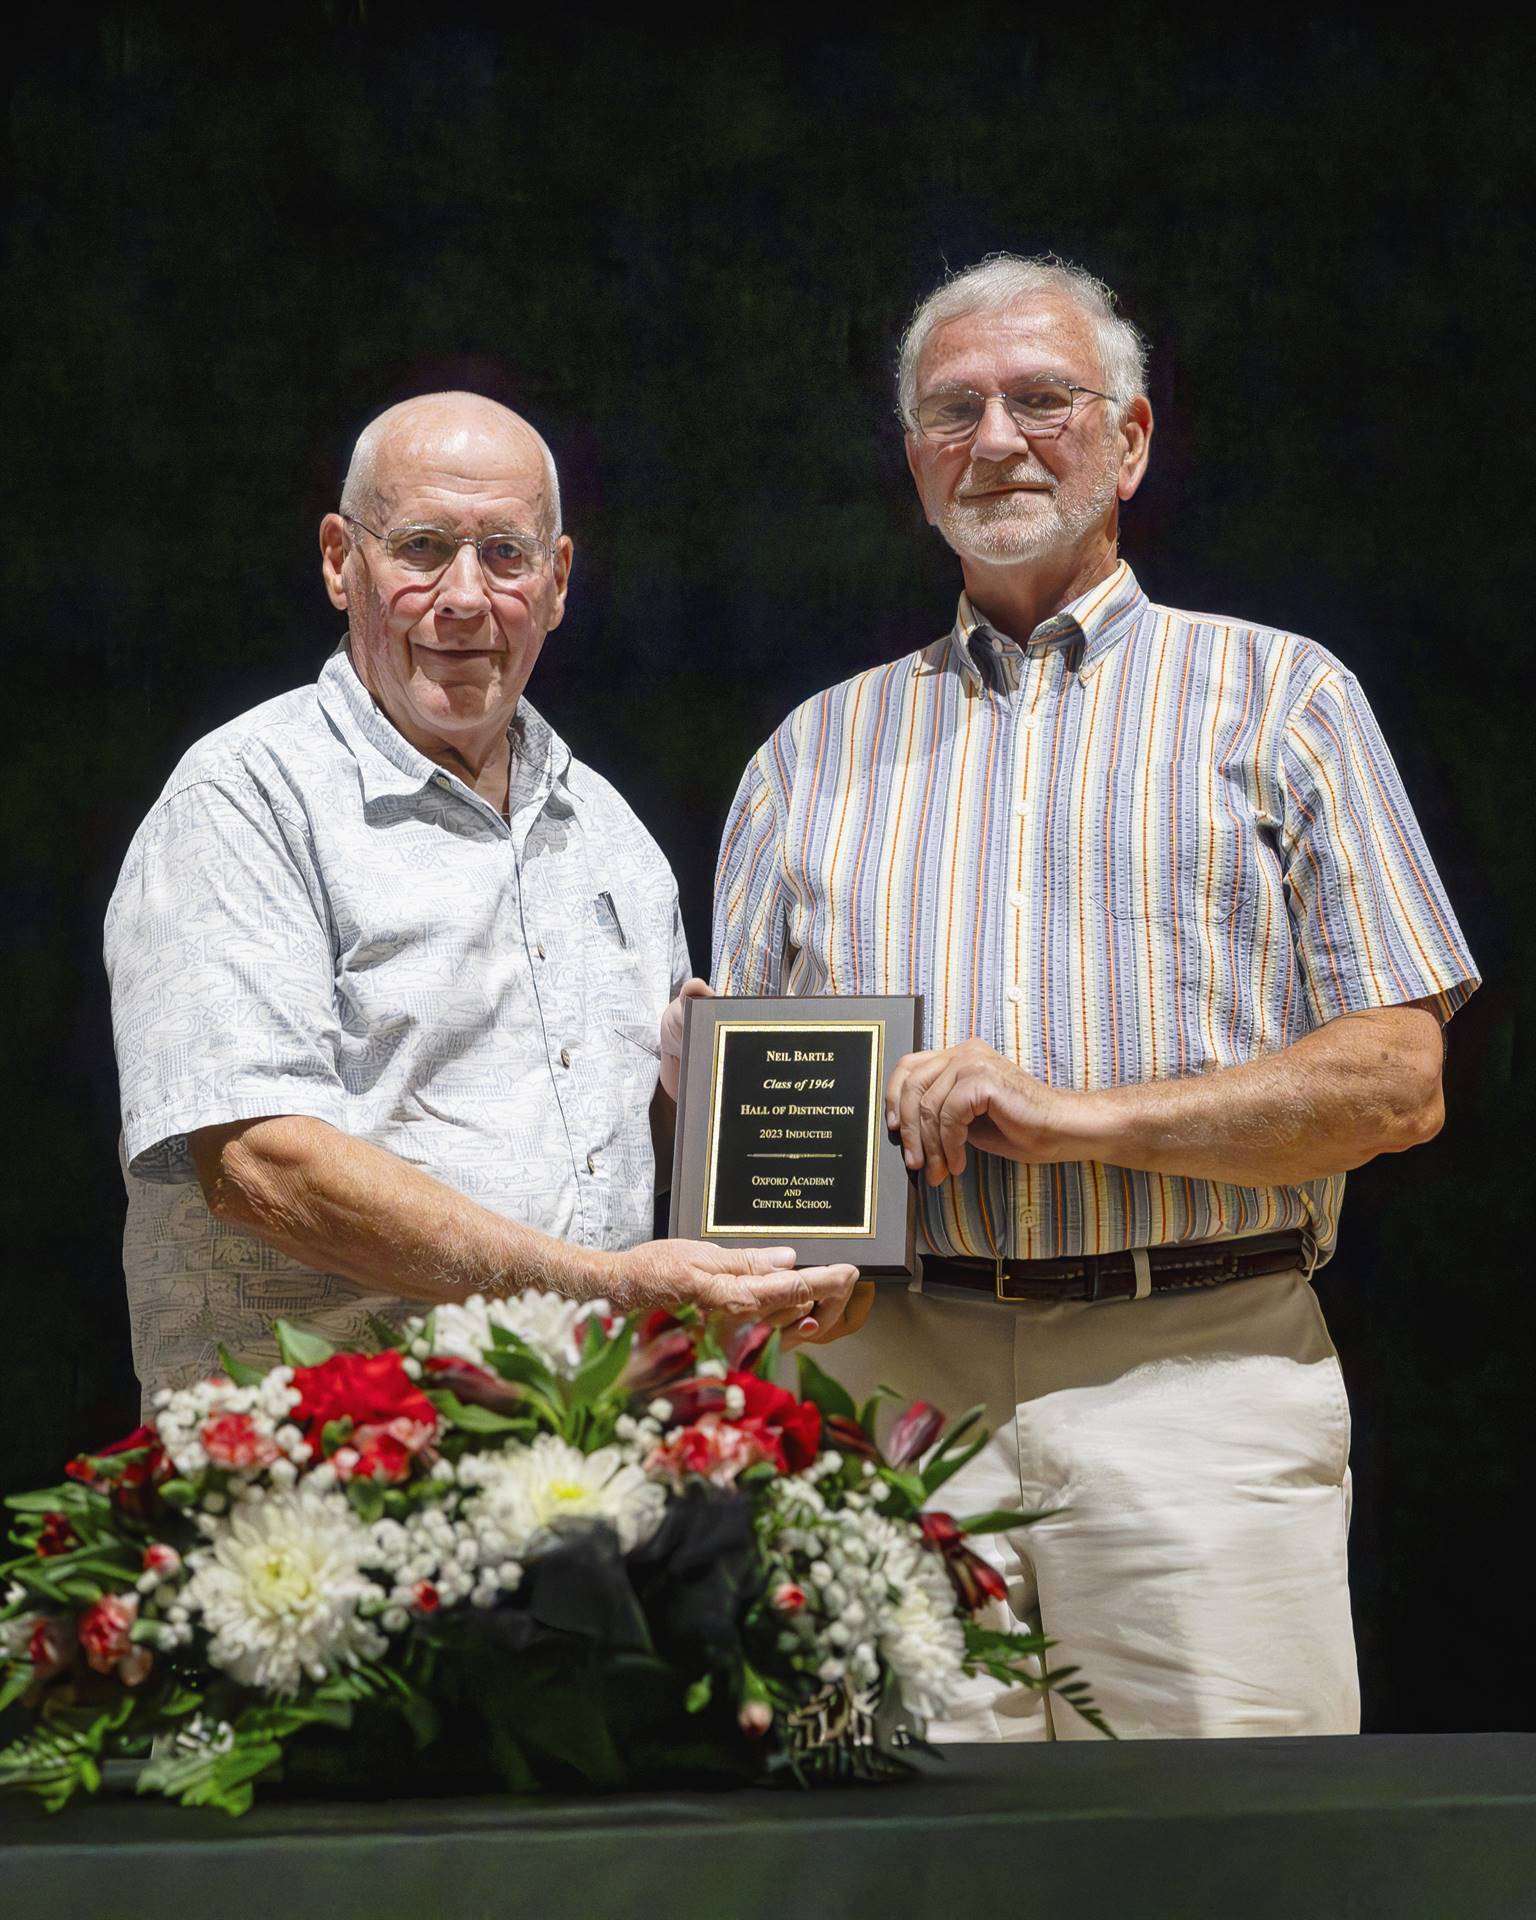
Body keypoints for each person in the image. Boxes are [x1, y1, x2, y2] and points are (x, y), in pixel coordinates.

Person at [711, 256, 1479, 1739]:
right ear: (916, 463)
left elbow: (1399, 1084)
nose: (997, 439)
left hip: (1197, 1379)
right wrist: (725, 1132)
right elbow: (751, 1168)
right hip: (885, 1395)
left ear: (1128, 441)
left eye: (1041, 401)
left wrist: (1076, 1121)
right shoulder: (809, 751)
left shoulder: (1282, 698)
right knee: (895, 1878)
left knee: (1230, 1875)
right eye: (954, 411)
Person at [106, 392, 858, 1409]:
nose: (464, 596)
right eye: (421, 548)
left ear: (557, 583)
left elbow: (643, 1176)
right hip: (319, 1482)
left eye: (505, 555)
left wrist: (781, 1235)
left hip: (587, 1457)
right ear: (340, 560)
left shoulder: (610, 834)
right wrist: (598, 1289)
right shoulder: (245, 797)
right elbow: (259, 1164)